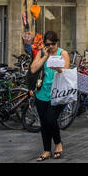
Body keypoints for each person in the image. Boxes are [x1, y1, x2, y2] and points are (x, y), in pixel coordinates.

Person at [29, 29, 70, 161]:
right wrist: (45, 57)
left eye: (52, 44)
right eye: (47, 44)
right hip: (42, 93)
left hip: (58, 94)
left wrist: (58, 68)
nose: (50, 47)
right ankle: (46, 150)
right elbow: (33, 69)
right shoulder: (42, 53)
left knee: (51, 120)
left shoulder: (63, 53)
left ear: (57, 43)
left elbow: (66, 73)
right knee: (44, 123)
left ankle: (58, 143)